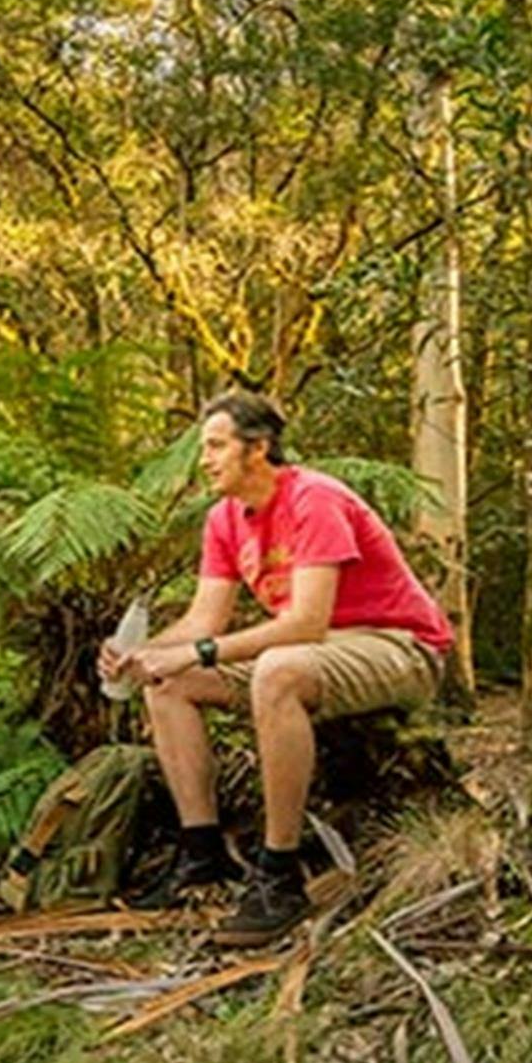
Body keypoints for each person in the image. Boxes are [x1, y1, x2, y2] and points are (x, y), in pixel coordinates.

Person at [100, 390, 452, 946]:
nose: (205, 459)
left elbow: (305, 624)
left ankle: (278, 873)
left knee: (277, 671)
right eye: (203, 448)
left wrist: (200, 651)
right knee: (168, 683)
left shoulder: (314, 499)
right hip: (323, 651)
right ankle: (201, 852)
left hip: (398, 645)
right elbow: (203, 619)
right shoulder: (224, 519)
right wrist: (144, 656)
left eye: (216, 446)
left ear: (258, 447)